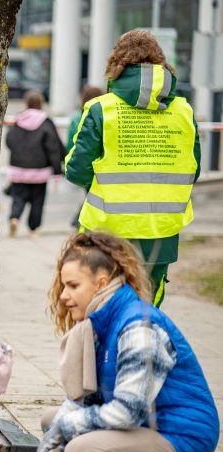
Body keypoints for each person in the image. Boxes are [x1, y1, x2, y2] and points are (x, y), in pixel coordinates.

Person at [10, 232, 218, 452]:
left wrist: (67, 429)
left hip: (182, 435)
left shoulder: (137, 328)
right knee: (52, 420)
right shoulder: (102, 322)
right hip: (151, 427)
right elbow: (85, 403)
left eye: (73, 286)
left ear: (101, 282)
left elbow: (126, 413)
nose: (64, 296)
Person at [65, 29, 200, 307]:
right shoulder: (184, 112)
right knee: (146, 309)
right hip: (162, 231)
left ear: (117, 63)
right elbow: (193, 170)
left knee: (103, 304)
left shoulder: (100, 109)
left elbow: (76, 169)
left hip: (106, 231)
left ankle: (107, 351)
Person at [5, 91, 66, 238]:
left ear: (26, 103)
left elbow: (10, 140)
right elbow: (54, 147)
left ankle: (14, 218)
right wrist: (58, 168)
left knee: (18, 197)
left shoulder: (19, 120)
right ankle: (33, 229)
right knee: (37, 200)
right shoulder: (46, 122)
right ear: (41, 103)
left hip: (19, 168)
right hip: (40, 170)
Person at [66, 84, 105, 228]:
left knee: (90, 193)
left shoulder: (77, 116)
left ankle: (81, 220)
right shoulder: (104, 114)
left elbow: (71, 141)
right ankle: (81, 220)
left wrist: (71, 157)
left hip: (84, 161)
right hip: (103, 162)